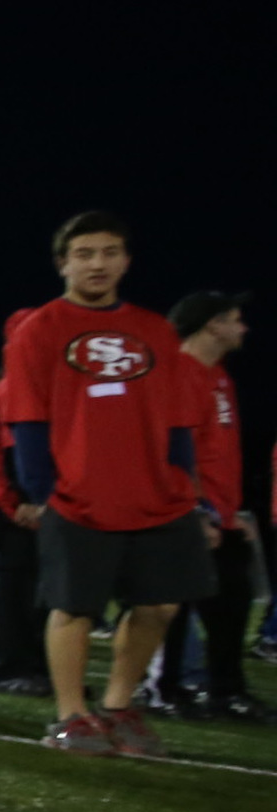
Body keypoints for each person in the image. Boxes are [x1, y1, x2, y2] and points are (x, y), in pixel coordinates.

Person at [3, 211, 210, 757]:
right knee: (74, 607)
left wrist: (189, 488)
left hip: (156, 493)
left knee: (161, 604)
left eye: (110, 252)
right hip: (79, 494)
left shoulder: (155, 329)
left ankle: (119, 706)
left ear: (126, 261)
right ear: (63, 263)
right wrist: (42, 491)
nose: (99, 263)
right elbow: (27, 418)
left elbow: (178, 416)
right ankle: (72, 717)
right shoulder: (38, 330)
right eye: (86, 253)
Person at [151, 292, 261, 720]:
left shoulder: (219, 377)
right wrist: (196, 509)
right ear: (212, 325)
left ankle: (225, 691)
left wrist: (234, 515)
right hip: (185, 514)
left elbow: (217, 454)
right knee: (169, 606)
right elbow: (172, 451)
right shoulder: (177, 372)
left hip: (222, 515)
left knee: (232, 605)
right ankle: (162, 687)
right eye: (235, 319)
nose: (243, 328)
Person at [0, 335, 51, 693]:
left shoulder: (36, 384)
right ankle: (8, 669)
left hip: (34, 502)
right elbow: (10, 450)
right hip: (17, 506)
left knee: (38, 590)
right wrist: (25, 499)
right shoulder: (17, 388)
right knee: (15, 588)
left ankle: (35, 666)